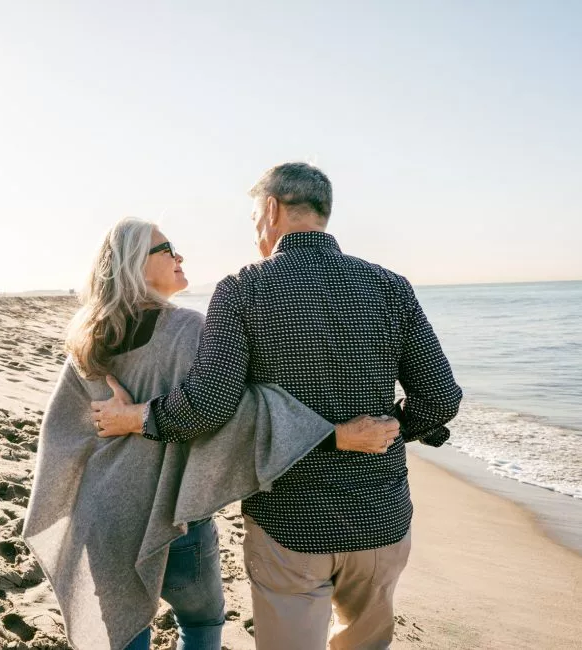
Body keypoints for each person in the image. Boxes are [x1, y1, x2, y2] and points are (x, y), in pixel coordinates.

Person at [92, 163, 463, 650]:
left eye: (252, 219)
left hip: (290, 521)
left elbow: (208, 406)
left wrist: (138, 417)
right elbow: (441, 398)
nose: (254, 234)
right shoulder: (391, 286)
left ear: (271, 210)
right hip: (381, 517)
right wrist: (393, 426)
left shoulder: (243, 288)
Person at [23, 217, 398, 650]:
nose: (179, 256)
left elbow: (61, 432)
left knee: (123, 633)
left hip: (103, 516)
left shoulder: (87, 337)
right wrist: (334, 434)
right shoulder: (187, 329)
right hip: (175, 516)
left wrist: (114, 433)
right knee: (201, 623)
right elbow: (233, 412)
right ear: (135, 266)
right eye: (167, 250)